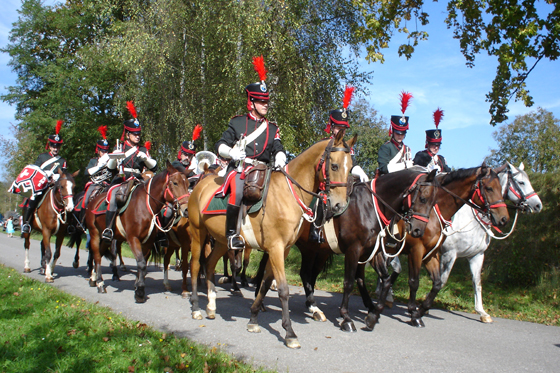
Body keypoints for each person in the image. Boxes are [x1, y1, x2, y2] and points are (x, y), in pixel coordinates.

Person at [215, 55, 286, 250]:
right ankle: (232, 235)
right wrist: (231, 153)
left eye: (266, 102)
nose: (266, 105)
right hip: (241, 169)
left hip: (264, 170)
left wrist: (280, 156)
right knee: (237, 191)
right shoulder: (237, 122)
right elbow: (220, 144)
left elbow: (278, 147)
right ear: (252, 102)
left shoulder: (272, 128)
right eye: (261, 102)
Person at [309, 85, 368, 243]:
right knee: (321, 197)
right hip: (324, 184)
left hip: (341, 183)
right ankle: (315, 228)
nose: (341, 131)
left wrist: (360, 171)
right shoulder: (323, 145)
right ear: (332, 127)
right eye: (338, 128)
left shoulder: (348, 149)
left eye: (343, 128)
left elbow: (351, 165)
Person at [101, 101, 158, 243]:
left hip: (139, 179)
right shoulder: (119, 147)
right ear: (127, 134)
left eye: (138, 134)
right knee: (113, 195)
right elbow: (110, 168)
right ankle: (108, 228)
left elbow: (154, 167)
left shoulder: (143, 150)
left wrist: (145, 158)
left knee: (156, 197)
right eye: (134, 134)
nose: (137, 136)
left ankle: (159, 232)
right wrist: (115, 157)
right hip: (122, 179)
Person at [9, 120, 68, 234]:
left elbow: (63, 175)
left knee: (67, 201)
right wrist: (46, 175)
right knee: (30, 200)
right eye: (53, 145)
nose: (55, 148)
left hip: (54, 187)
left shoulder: (62, 161)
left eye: (57, 146)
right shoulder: (42, 157)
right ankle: (26, 223)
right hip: (41, 186)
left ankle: (68, 225)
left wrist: (56, 177)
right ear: (49, 145)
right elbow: (34, 171)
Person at [377, 91, 414, 175]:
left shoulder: (407, 149)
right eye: (398, 133)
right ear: (393, 132)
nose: (400, 136)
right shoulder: (386, 147)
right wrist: (404, 165)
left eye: (402, 134)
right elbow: (383, 169)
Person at [83, 125, 113, 208]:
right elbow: (86, 173)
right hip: (95, 184)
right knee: (85, 201)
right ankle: (82, 219)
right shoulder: (94, 161)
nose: (105, 153)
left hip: (108, 184)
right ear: (99, 151)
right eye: (103, 151)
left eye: (106, 151)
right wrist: (99, 166)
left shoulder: (111, 160)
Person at [413, 108, 451, 172]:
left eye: (438, 145)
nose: (436, 147)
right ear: (428, 144)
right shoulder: (421, 155)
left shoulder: (441, 159)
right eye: (433, 145)